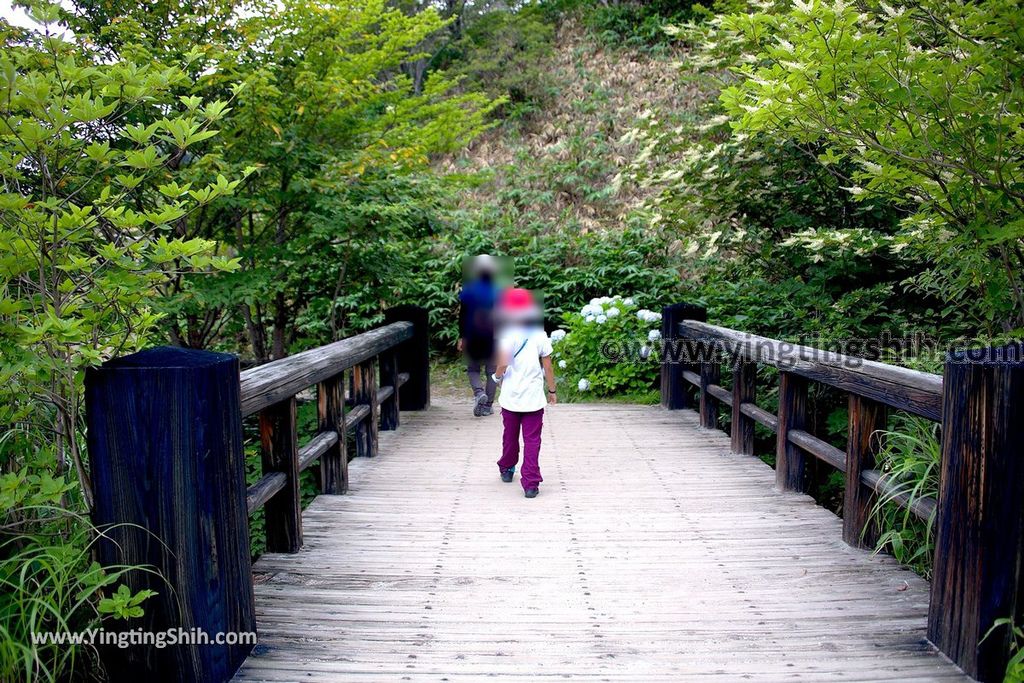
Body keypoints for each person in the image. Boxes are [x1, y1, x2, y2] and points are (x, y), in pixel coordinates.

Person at [492, 288, 557, 499]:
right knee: (532, 440)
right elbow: (548, 367)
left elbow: (502, 363)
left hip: (511, 396)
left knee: (509, 436)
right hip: (534, 398)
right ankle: (530, 483)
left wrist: (496, 378)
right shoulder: (540, 335)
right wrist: (552, 391)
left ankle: (507, 468)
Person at [458, 255, 499, 416]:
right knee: (491, 371)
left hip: (473, 334)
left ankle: (479, 393)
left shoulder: (468, 289)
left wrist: (462, 337)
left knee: (473, 369)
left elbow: (463, 315)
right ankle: (487, 405)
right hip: (493, 335)